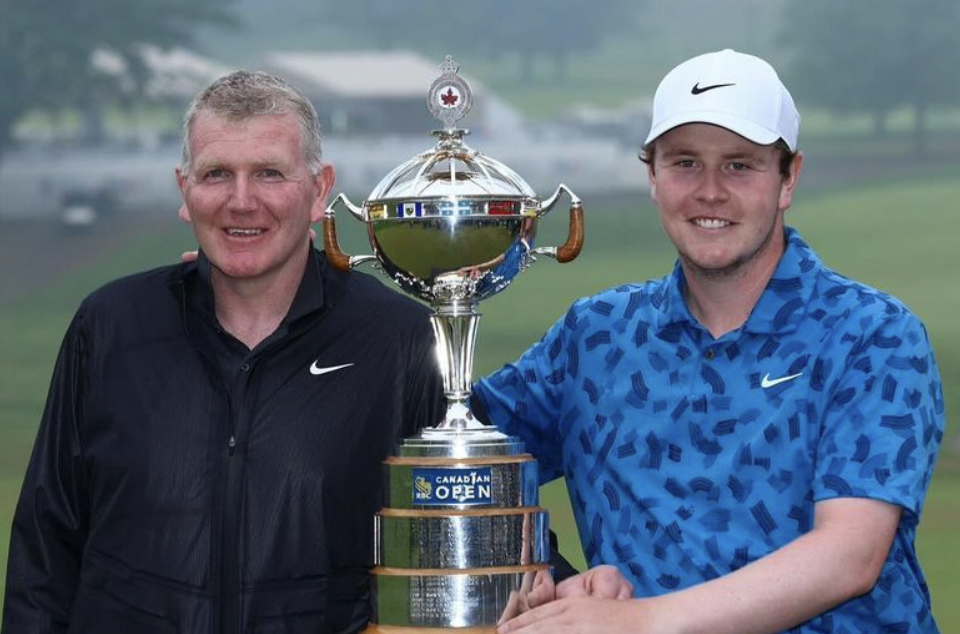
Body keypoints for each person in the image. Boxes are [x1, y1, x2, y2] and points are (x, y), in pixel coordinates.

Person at [473, 49, 945, 633]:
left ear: (788, 178)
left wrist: (638, 623)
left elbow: (848, 558)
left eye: (740, 165)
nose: (710, 191)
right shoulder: (594, 335)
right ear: (652, 176)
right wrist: (542, 569)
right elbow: (466, 459)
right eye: (686, 163)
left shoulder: (872, 334)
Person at [2, 71, 444, 633]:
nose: (241, 201)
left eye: (268, 172)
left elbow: (462, 528)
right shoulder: (110, 325)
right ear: (184, 191)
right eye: (217, 174)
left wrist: (578, 588)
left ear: (319, 190)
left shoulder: (397, 338)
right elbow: (46, 544)